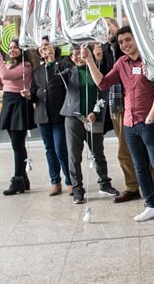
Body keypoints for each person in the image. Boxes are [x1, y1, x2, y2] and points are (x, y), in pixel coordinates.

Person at [86, 26, 154, 224]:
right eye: (121, 42)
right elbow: (103, 84)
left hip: (149, 122)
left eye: (128, 40)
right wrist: (89, 61)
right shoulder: (121, 63)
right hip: (129, 123)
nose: (124, 45)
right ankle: (151, 205)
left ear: (137, 39)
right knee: (139, 167)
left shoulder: (150, 60)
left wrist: (152, 115)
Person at [100, 17, 154, 203]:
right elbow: (102, 80)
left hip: (140, 106)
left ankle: (152, 188)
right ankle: (132, 186)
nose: (109, 32)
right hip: (117, 105)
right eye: (106, 30)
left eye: (111, 28)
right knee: (124, 151)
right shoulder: (101, 50)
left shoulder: (133, 51)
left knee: (147, 153)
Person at [60, 43, 120, 204]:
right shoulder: (68, 73)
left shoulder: (96, 69)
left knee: (98, 153)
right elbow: (54, 74)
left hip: (94, 118)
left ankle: (105, 184)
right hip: (73, 118)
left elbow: (104, 92)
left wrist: (96, 112)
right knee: (74, 155)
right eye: (74, 55)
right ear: (71, 58)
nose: (78, 57)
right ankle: (77, 189)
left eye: (81, 53)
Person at [0, 40, 35, 196]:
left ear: (22, 50)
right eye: (10, 47)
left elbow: (6, 75)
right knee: (18, 144)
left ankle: (17, 180)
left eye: (16, 47)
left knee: (17, 144)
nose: (12, 50)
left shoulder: (26, 66)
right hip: (8, 102)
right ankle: (23, 179)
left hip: (19, 104)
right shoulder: (9, 65)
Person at [29, 37, 73, 196]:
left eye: (47, 45)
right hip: (42, 115)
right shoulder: (37, 71)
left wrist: (53, 60)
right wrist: (29, 95)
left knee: (61, 149)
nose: (44, 48)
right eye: (41, 46)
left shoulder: (63, 64)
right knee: (49, 149)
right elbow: (34, 94)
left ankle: (70, 181)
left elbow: (69, 81)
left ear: (54, 47)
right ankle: (55, 181)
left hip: (59, 115)